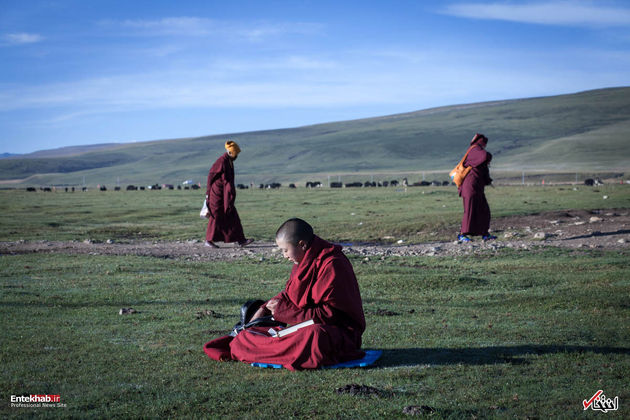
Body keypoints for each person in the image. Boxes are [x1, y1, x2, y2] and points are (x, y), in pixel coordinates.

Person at [203, 218, 366, 370]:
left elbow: (329, 315)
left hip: (338, 334)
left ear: (302, 244)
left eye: (285, 250)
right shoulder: (304, 260)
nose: (284, 256)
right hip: (303, 325)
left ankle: (250, 346)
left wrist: (284, 312)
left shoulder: (332, 263)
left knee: (314, 336)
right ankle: (245, 340)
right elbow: (291, 294)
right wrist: (267, 306)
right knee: (251, 335)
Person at [204, 141, 253, 248]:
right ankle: (208, 240)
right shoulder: (221, 161)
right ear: (231, 153)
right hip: (217, 194)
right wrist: (208, 194)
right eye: (236, 154)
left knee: (232, 215)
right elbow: (211, 176)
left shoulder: (229, 161)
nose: (237, 156)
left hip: (225, 196)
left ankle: (241, 240)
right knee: (215, 216)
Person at [458, 133, 496, 242]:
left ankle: (485, 233)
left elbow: (483, 169)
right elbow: (485, 156)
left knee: (483, 209)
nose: (485, 145)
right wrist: (488, 157)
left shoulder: (476, 151)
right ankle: (462, 234)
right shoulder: (475, 150)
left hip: (477, 187)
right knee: (469, 210)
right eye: (484, 142)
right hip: (470, 186)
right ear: (480, 141)